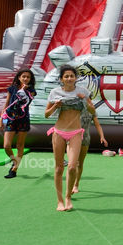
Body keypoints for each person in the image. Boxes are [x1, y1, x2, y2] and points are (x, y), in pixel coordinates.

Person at [45, 65, 97, 211]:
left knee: (73, 167)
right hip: (59, 132)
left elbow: (93, 110)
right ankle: (59, 200)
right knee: (59, 168)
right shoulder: (55, 92)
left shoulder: (83, 91)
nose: (69, 78)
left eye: (71, 76)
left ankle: (68, 197)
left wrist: (85, 100)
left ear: (75, 78)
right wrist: (55, 106)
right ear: (61, 79)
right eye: (66, 76)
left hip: (75, 132)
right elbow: (46, 114)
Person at [0, 69, 36, 179]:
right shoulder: (12, 89)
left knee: (20, 145)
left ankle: (15, 168)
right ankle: (15, 161)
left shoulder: (31, 90)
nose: (25, 79)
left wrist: (24, 90)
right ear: (19, 77)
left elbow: (25, 101)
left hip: (23, 119)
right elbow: (7, 104)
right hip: (11, 119)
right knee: (6, 146)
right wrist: (1, 119)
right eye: (23, 76)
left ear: (30, 79)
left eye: (28, 77)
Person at [72, 93, 108, 194]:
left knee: (80, 163)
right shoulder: (74, 109)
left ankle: (76, 184)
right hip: (73, 138)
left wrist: (102, 136)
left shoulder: (91, 111)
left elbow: (97, 124)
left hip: (85, 139)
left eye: (89, 99)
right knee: (73, 163)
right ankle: (70, 185)